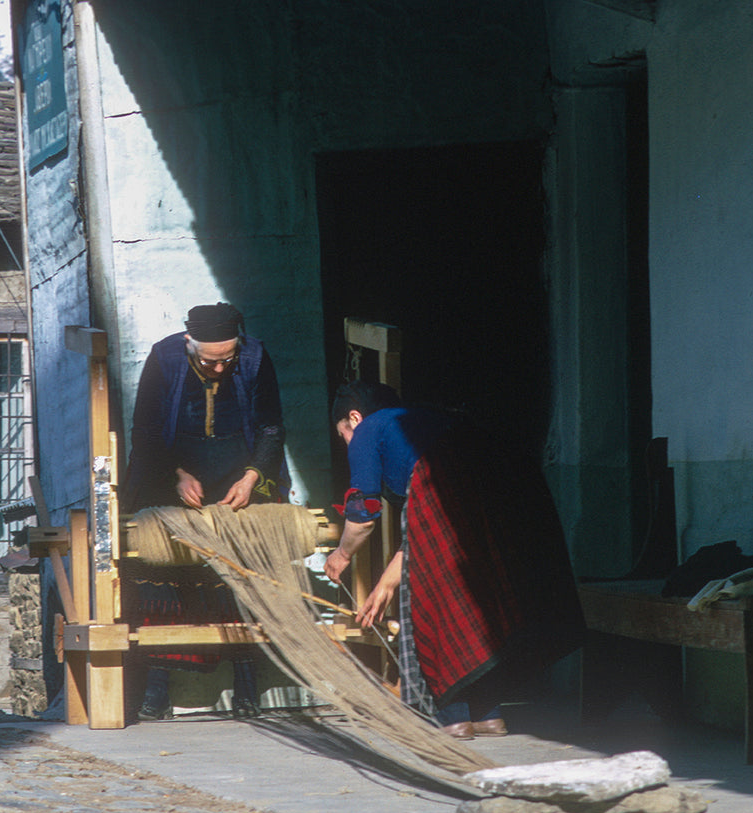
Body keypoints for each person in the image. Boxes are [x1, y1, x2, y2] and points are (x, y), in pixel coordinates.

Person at [323, 381, 583, 739]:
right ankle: (488, 713)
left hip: (452, 480)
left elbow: (362, 513)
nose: (349, 444)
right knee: (478, 599)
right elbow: (420, 537)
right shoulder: (425, 423)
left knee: (434, 604)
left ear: (354, 417)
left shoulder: (370, 427)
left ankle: (453, 717)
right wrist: (384, 584)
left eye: (343, 435)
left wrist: (341, 555)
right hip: (505, 476)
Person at [121, 302, 289, 721]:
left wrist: (252, 477)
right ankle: (156, 693)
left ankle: (248, 692)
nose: (218, 369)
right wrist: (177, 474)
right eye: (210, 361)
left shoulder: (254, 357)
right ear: (188, 343)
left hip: (237, 474)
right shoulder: (165, 358)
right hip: (172, 472)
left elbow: (270, 426)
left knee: (241, 577)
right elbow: (144, 429)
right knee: (163, 577)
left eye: (226, 360)